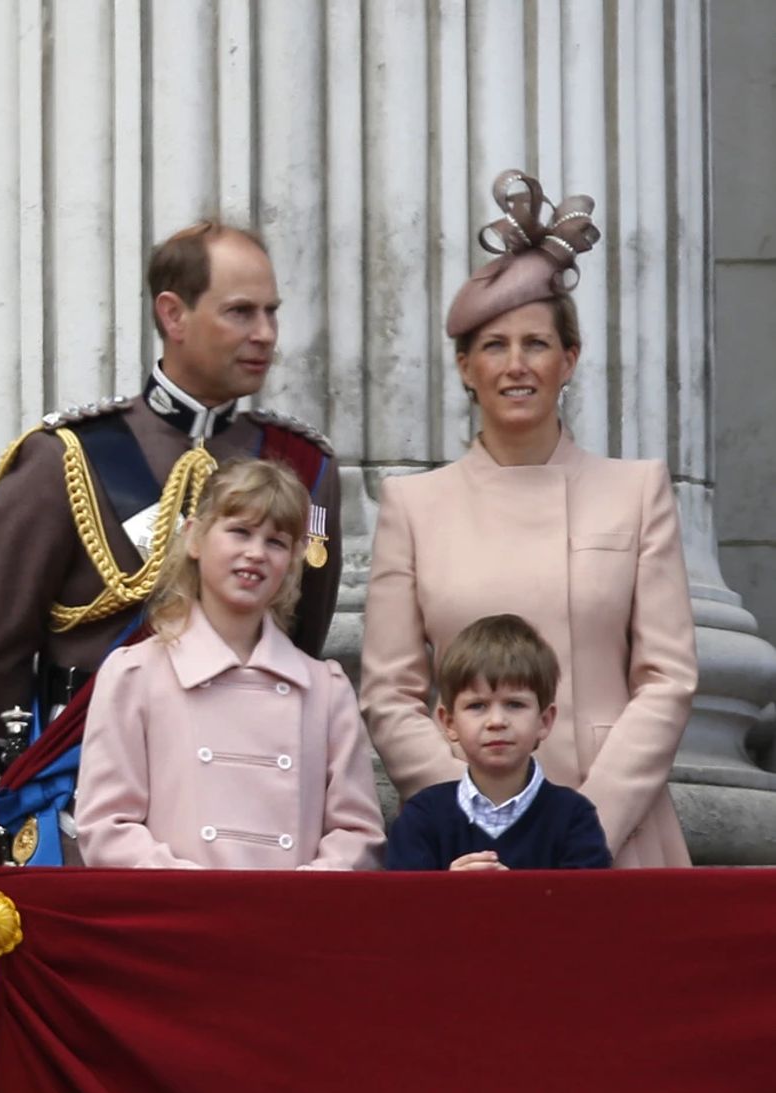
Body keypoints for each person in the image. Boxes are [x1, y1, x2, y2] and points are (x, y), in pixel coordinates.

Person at [360, 169, 698, 869]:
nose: (517, 366)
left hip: (616, 833)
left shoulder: (636, 491)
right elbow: (390, 694)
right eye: (493, 346)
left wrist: (574, 827)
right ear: (464, 366)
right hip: (465, 852)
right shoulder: (413, 505)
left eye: (537, 344)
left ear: (569, 359)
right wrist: (483, 815)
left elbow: (667, 677)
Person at [0, 220, 341, 775]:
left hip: (246, 774)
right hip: (92, 774)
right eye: (240, 312)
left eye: (271, 311)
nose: (266, 333)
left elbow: (302, 635)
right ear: (173, 314)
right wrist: (36, 776)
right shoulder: (67, 458)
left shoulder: (305, 468)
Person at [75, 459, 385, 871]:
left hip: (290, 921)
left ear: (293, 558)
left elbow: (357, 833)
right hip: (180, 918)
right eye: (239, 531)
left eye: (276, 542)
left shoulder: (324, 689)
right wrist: (197, 892)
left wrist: (303, 889)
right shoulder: (135, 675)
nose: (256, 553)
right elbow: (106, 826)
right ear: (195, 538)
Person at [386, 615, 611, 871]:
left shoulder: (574, 817)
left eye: (514, 704)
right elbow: (401, 907)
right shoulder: (421, 817)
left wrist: (514, 895)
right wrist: (445, 892)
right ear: (449, 723)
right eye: (477, 706)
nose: (496, 721)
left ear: (544, 721)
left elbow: (589, 908)